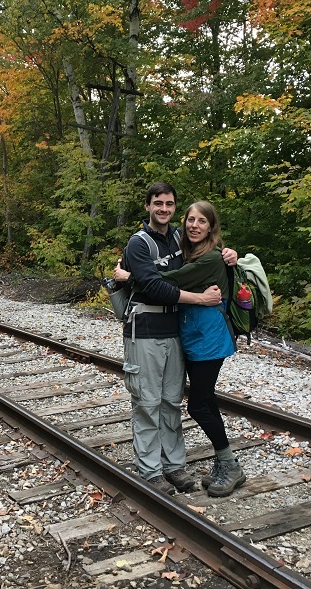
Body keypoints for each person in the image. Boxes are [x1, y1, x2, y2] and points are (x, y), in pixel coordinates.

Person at [112, 182, 236, 496]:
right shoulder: (139, 244)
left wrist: (229, 254)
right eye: (158, 203)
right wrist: (199, 299)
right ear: (148, 206)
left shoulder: (181, 238)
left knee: (170, 402)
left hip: (176, 332)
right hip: (146, 332)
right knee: (147, 402)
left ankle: (174, 466)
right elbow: (156, 288)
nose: (164, 209)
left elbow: (206, 257)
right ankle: (151, 471)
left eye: (169, 204)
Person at [156, 200, 246, 497]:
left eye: (201, 222)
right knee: (204, 400)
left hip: (209, 339)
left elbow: (169, 280)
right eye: (190, 220)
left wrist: (132, 276)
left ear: (211, 227)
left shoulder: (210, 258)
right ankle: (225, 462)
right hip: (196, 337)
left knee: (197, 404)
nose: (194, 225)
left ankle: (229, 464)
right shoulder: (192, 252)